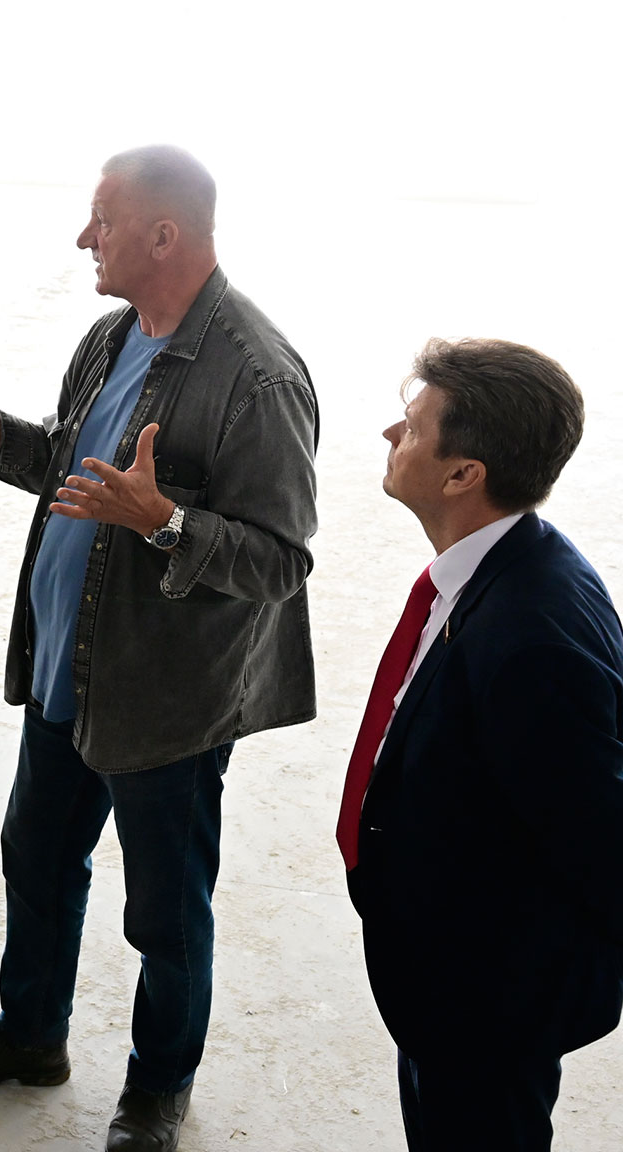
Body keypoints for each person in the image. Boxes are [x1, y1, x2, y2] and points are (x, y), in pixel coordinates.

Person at [0, 145, 318, 1152]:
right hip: (66, 672)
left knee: (165, 916)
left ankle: (159, 1089)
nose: (84, 238)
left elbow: (281, 560)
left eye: (101, 221)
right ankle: (32, 1036)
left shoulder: (259, 375)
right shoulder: (112, 336)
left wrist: (165, 521)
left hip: (165, 704)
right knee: (36, 860)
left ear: (162, 235)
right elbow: (72, 472)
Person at [345, 338, 622, 1151]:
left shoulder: (530, 638)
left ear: (464, 473)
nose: (391, 435)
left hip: (488, 1005)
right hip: (447, 980)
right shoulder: (510, 564)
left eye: (412, 426)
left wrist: (514, 999)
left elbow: (600, 842)